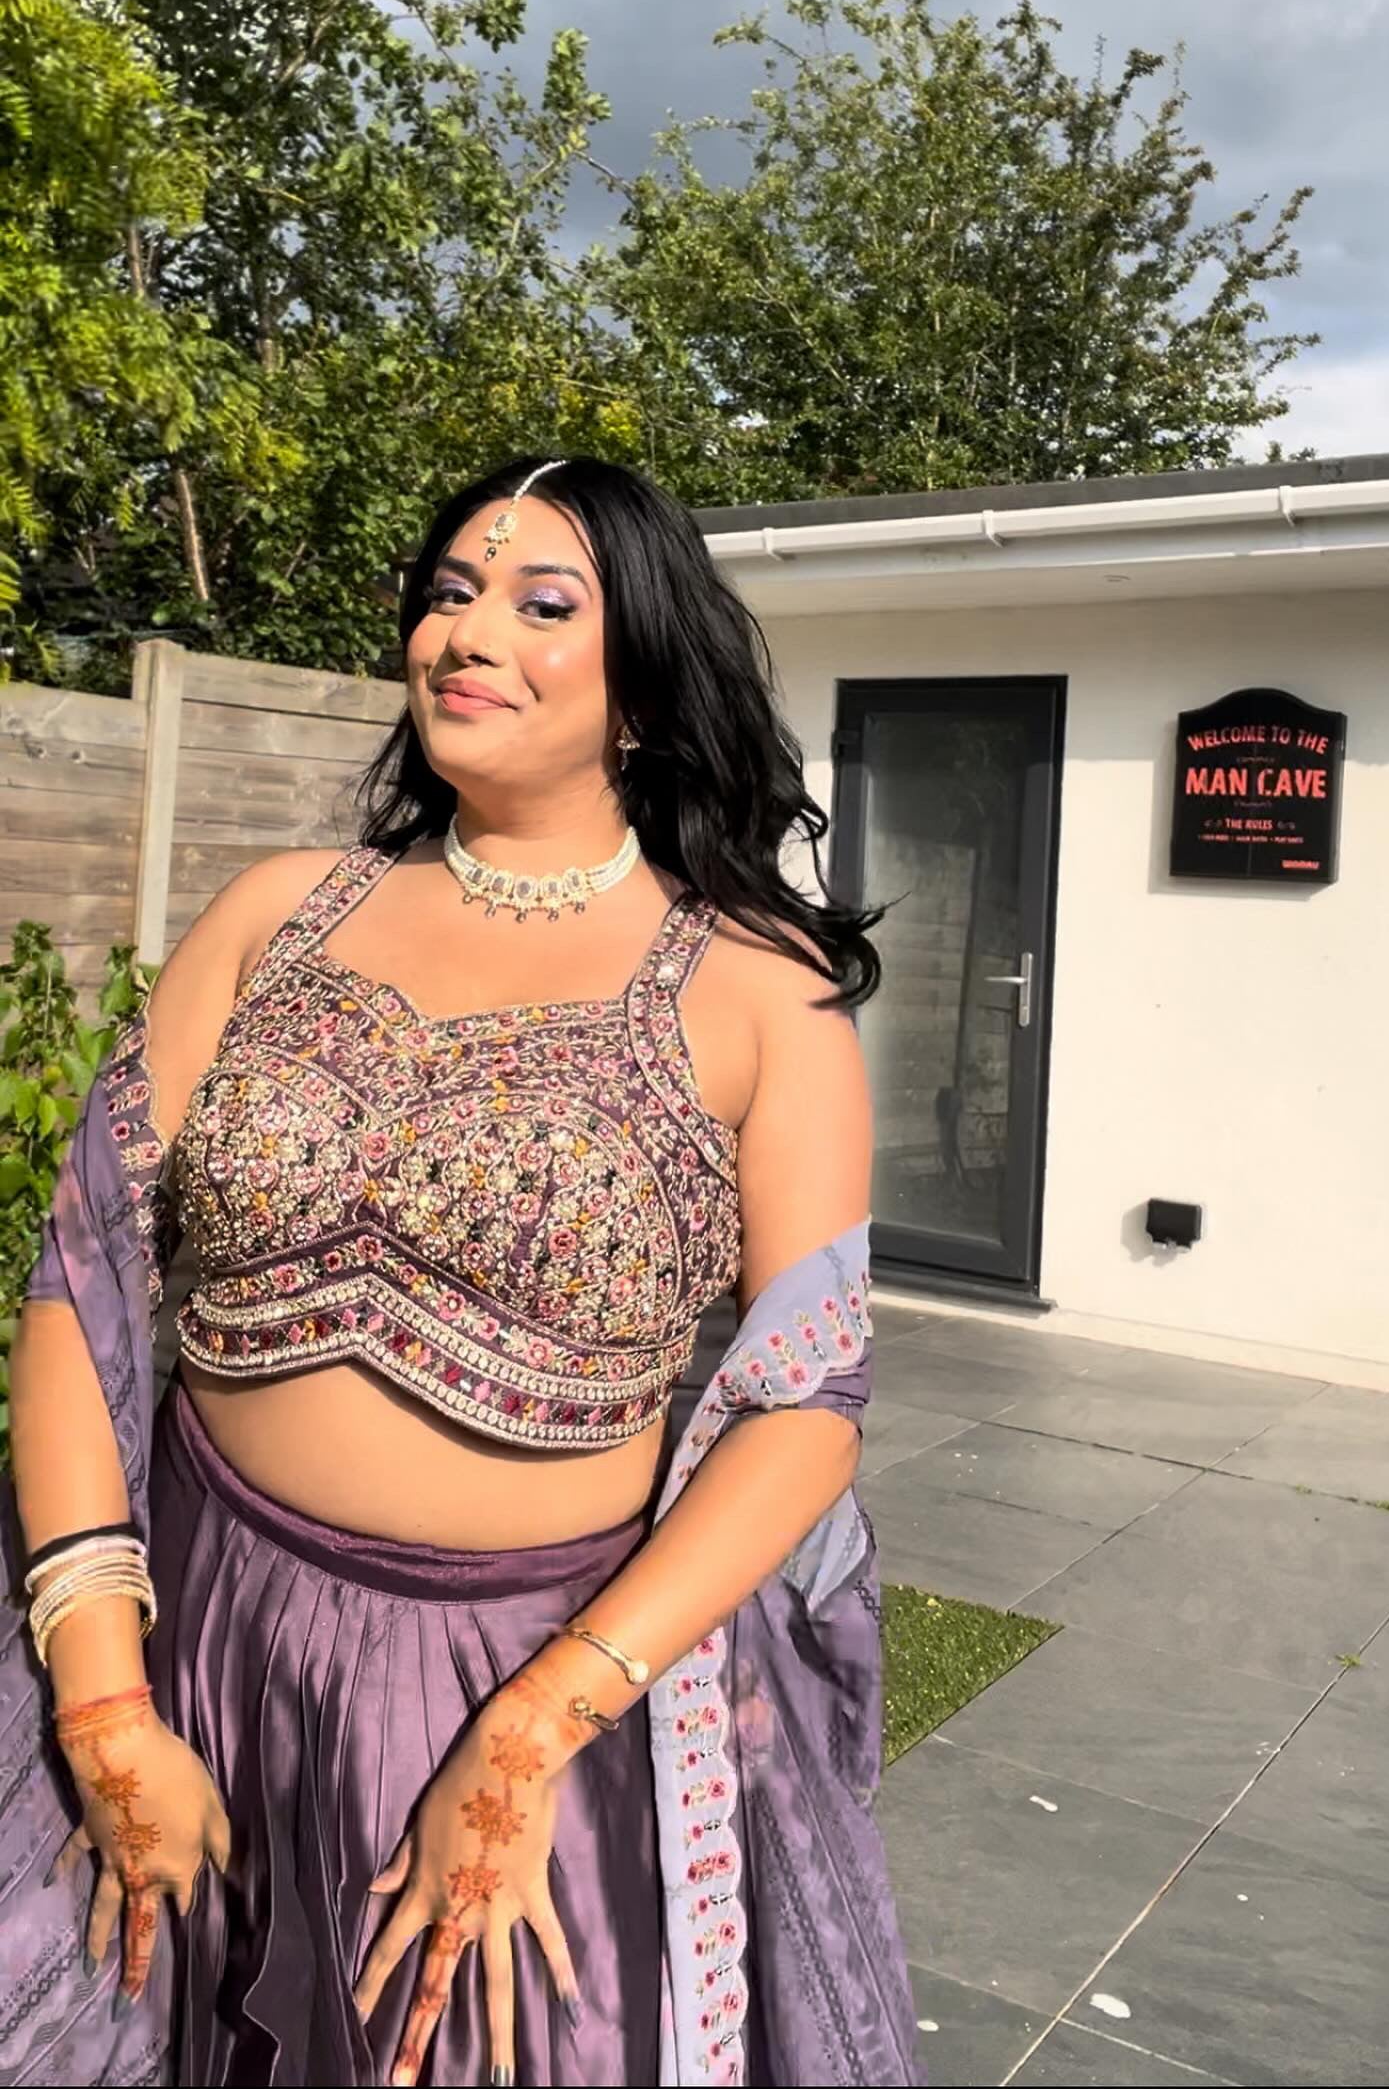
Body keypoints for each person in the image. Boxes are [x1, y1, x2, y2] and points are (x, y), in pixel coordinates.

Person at [1, 457, 919, 2087]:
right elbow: (85, 1276)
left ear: (647, 686)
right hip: (185, 1630)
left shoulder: (759, 990)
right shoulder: (278, 916)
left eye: (540, 603)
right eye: (448, 592)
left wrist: (531, 1730)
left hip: (521, 1686)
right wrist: (101, 1708)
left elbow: (804, 1406)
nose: (467, 631)